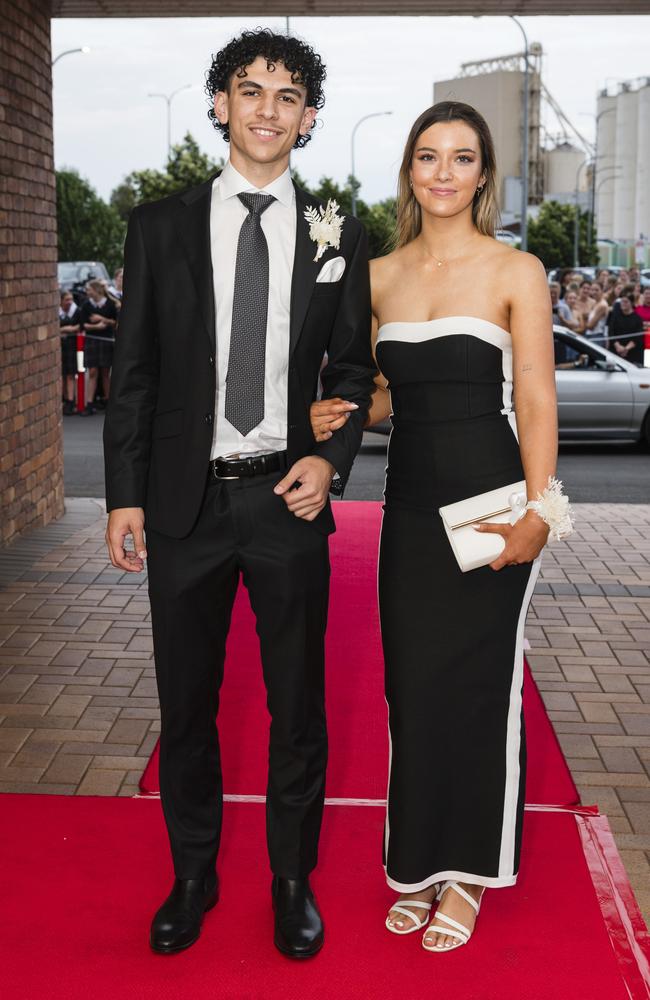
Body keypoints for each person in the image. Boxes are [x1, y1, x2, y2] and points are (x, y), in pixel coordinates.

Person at [103, 28, 375, 959]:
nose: (267, 108)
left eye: (287, 94)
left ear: (308, 116)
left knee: (297, 706)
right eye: (249, 90)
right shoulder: (159, 223)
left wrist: (330, 467)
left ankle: (291, 880)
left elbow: (351, 367)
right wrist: (123, 496)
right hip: (183, 505)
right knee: (188, 704)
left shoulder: (338, 225)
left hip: (284, 500)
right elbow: (132, 372)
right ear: (220, 104)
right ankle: (193, 874)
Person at [310, 101, 568, 953]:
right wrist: (338, 412)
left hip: (494, 502)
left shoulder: (516, 270)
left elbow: (534, 396)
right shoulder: (377, 274)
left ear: (484, 174)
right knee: (413, 691)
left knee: (481, 692)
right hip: (410, 509)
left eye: (463, 158)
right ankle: (418, 860)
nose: (446, 172)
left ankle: (471, 874)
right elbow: (384, 398)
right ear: (410, 172)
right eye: (430, 157)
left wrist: (539, 510)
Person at [79, 279, 118, 414]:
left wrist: (102, 319)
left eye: (89, 289)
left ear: (96, 290)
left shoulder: (110, 304)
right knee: (93, 372)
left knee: (106, 373)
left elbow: (115, 322)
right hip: (92, 341)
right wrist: (96, 326)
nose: (87, 291)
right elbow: (83, 325)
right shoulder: (86, 305)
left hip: (106, 340)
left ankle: (108, 402)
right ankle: (89, 403)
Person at [59, 290, 80, 415]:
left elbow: (78, 327)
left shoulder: (76, 311)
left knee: (71, 374)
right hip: (60, 346)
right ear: (61, 301)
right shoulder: (56, 312)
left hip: (72, 346)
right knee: (61, 375)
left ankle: (71, 401)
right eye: (67, 299)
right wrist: (68, 329)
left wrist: (64, 329)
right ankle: (64, 399)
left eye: (71, 299)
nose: (70, 302)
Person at [609, 292, 645, 364]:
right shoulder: (615, 316)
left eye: (626, 302)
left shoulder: (637, 319)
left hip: (632, 353)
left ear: (631, 303)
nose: (623, 304)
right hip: (616, 350)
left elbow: (638, 337)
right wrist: (618, 346)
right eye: (622, 301)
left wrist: (626, 349)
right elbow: (611, 332)